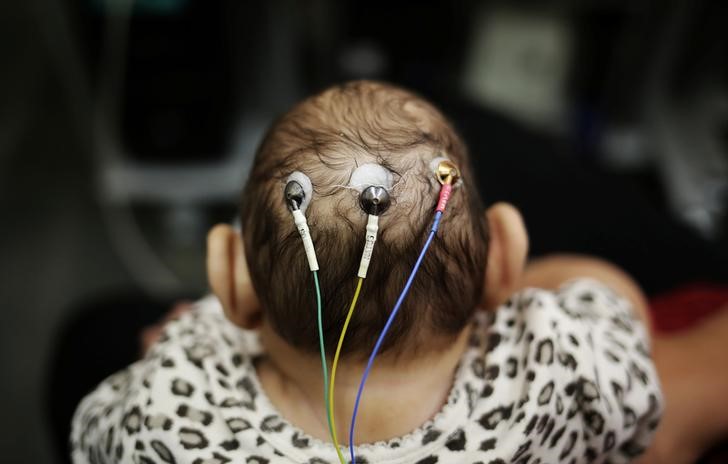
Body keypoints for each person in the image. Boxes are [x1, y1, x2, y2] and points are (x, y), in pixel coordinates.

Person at [70, 81, 723, 463]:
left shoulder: (163, 410)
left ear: (231, 280)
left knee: (90, 338)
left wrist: (190, 349)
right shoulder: (564, 367)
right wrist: (541, 288)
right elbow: (619, 312)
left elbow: (97, 436)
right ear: (503, 259)